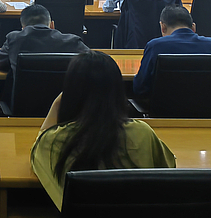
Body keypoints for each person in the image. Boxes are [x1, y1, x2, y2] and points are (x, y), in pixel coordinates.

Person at [30, 51, 176, 209]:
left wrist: (58, 103)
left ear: (70, 94)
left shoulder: (54, 141)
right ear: (119, 92)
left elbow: (38, 146)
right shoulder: (142, 133)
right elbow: (168, 168)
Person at [0, 4, 89, 102]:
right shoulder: (72, 41)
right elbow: (93, 63)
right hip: (63, 107)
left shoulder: (14, 39)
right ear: (52, 25)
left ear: (23, 27)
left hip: (24, 106)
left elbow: (0, 64)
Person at [133, 5, 211, 97]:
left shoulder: (155, 47)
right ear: (193, 27)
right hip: (209, 107)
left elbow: (140, 88)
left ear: (163, 27)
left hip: (165, 107)